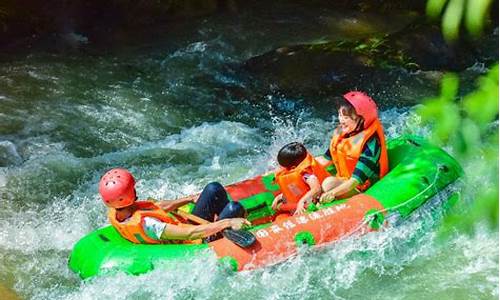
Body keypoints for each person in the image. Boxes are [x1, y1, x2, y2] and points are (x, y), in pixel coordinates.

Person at [98, 168, 249, 244]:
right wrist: (228, 222)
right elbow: (191, 234)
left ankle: (228, 224)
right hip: (196, 240)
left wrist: (188, 199)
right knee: (233, 209)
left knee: (213, 188)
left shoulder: (119, 208)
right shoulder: (149, 225)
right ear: (128, 195)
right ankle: (236, 233)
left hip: (185, 227)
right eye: (133, 188)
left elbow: (157, 207)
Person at [317, 91, 389, 203]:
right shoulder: (344, 133)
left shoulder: (371, 144)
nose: (341, 120)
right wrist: (302, 166)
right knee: (318, 179)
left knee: (328, 183)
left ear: (362, 119)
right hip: (343, 179)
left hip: (361, 187)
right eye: (340, 115)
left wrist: (332, 193)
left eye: (346, 117)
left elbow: (355, 181)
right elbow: (325, 160)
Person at [271, 142, 330, 215]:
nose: (281, 169)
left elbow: (316, 188)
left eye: (283, 167)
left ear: (293, 167)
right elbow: (295, 190)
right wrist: (280, 197)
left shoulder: (306, 174)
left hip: (314, 202)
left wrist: (302, 201)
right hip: (299, 205)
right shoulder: (292, 174)